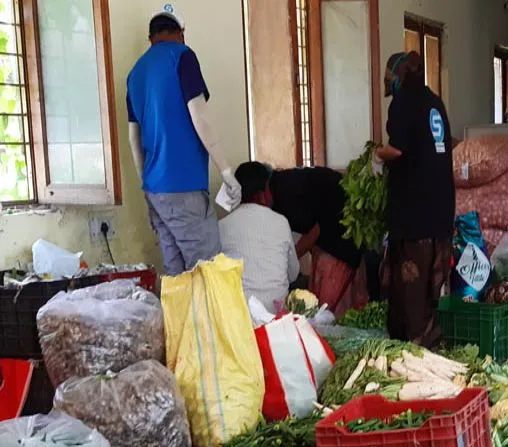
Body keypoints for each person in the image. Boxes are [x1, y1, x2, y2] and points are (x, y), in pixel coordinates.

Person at [126, 5, 241, 276]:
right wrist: (226, 171)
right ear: (181, 32)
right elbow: (199, 116)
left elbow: (134, 137)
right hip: (184, 187)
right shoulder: (183, 56)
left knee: (176, 276)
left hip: (155, 190)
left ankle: (180, 320)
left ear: (151, 38)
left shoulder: (135, 73)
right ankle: (206, 321)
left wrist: (147, 186)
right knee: (208, 272)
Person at [377, 51, 455, 347]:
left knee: (410, 297)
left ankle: (416, 355)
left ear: (400, 76)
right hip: (440, 215)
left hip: (414, 219)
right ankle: (430, 345)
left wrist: (376, 156)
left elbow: (397, 149)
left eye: (390, 78)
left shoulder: (404, 101)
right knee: (430, 293)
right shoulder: (435, 102)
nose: (389, 85)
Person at [265, 166, 373, 313]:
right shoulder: (281, 186)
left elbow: (315, 231)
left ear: (263, 192)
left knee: (324, 306)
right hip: (332, 229)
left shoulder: (284, 196)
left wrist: (288, 260)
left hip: (341, 229)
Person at [218, 162, 300, 310]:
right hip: (277, 316)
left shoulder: (221, 226)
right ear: (263, 192)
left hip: (239, 318)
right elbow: (293, 274)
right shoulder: (281, 222)